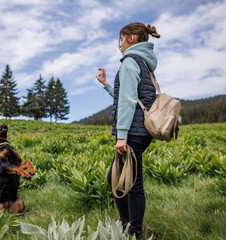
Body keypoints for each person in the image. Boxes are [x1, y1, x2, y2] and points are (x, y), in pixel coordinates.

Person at [96, 22, 160, 239]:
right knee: (116, 179)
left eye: (120, 40)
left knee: (131, 184)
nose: (119, 46)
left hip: (132, 133)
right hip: (140, 131)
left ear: (131, 38)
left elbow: (128, 101)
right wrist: (106, 84)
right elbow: (127, 96)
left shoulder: (130, 62)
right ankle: (127, 223)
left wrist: (121, 136)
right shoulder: (143, 63)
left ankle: (133, 230)